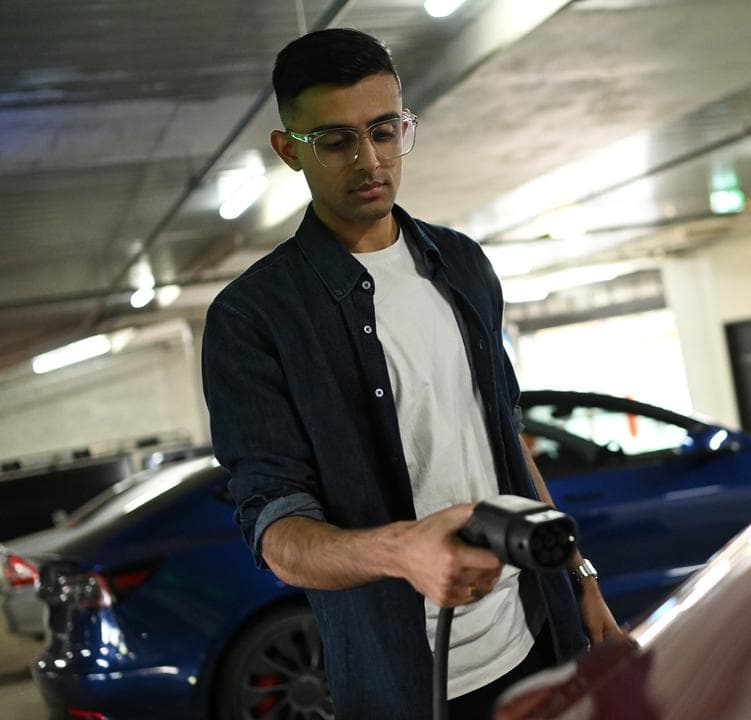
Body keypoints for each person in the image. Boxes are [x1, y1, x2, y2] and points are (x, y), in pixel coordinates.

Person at [201, 28, 622, 719]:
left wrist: (579, 575)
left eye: (384, 131)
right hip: (404, 684)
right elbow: (277, 533)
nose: (369, 160)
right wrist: (403, 553)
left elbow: (506, 438)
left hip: (537, 635)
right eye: (336, 141)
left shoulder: (463, 264)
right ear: (289, 150)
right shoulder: (253, 318)